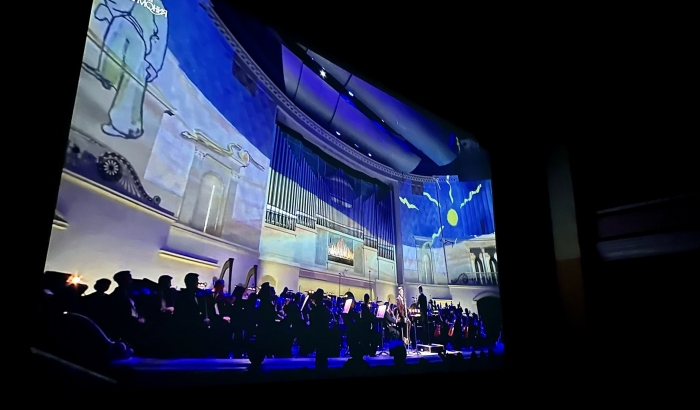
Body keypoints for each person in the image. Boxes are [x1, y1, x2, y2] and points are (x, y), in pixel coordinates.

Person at [309, 288, 331, 369]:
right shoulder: (322, 308)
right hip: (322, 332)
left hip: (318, 332)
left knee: (320, 352)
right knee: (322, 352)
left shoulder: (317, 308)